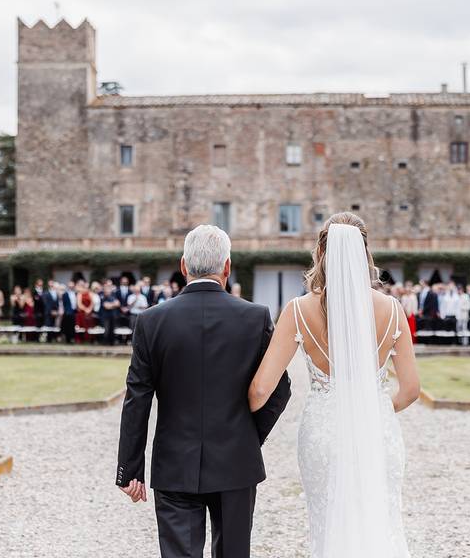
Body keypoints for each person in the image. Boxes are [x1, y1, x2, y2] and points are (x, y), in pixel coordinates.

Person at [249, 212, 420, 557]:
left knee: (327, 524)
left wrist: (239, 426)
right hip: (377, 430)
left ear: (320, 252)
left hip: (323, 432)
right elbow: (411, 389)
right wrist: (374, 407)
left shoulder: (298, 310)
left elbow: (260, 390)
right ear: (365, 254)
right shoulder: (393, 309)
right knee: (381, 521)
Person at [116, 225, 291, 558]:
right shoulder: (255, 317)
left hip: (173, 463)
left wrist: (129, 468)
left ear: (184, 266)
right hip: (237, 459)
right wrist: (250, 435)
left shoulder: (151, 321)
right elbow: (279, 389)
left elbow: (137, 397)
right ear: (227, 267)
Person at [99, 280, 121, 345]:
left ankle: (112, 343)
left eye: (110, 285)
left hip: (113, 315)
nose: (109, 287)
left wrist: (111, 305)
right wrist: (113, 304)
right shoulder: (102, 295)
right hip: (105, 315)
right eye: (108, 285)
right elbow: (106, 306)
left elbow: (118, 304)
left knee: (112, 329)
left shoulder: (114, 294)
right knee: (107, 329)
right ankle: (105, 342)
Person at [60, 279, 79, 344]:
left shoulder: (76, 293)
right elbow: (63, 304)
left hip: (74, 312)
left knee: (73, 326)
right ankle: (68, 339)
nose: (71, 286)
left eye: (72, 284)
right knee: (67, 326)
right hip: (68, 312)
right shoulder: (65, 294)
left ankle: (72, 339)